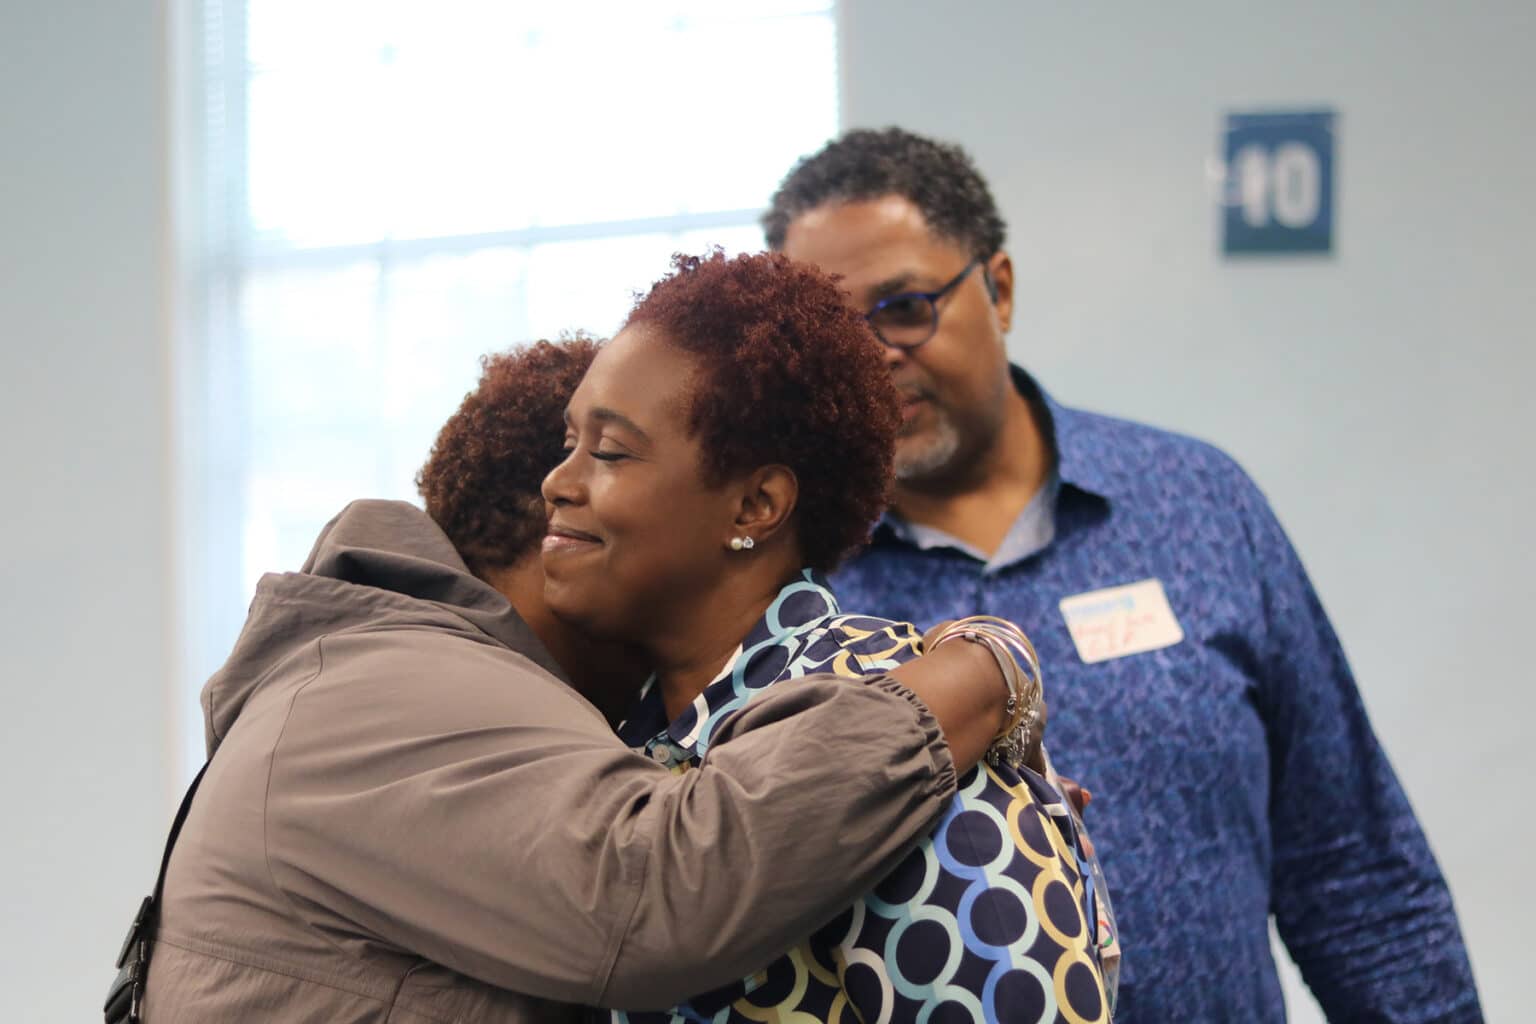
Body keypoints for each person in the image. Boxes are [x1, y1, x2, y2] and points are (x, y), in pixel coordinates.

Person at [763, 127, 1482, 1022]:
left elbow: (1355, 869)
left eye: (905, 306)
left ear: (1000, 288)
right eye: (835, 332)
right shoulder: (785, 583)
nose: (873, 355)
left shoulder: (1196, 503)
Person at [137, 336, 1019, 1023]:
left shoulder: (390, 668)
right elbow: (661, 891)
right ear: (560, 522)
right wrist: (985, 671)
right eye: (582, 452)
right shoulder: (393, 689)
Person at [543, 250, 1114, 1024]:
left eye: (610, 452)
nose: (559, 482)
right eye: (568, 444)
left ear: (755, 506)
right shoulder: (631, 732)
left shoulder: (923, 743)